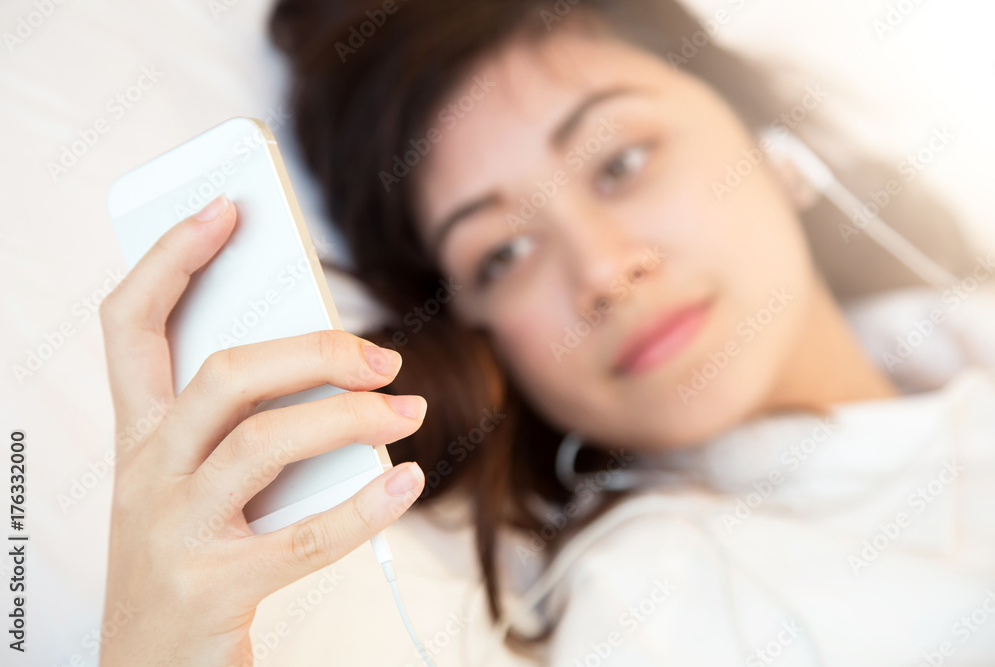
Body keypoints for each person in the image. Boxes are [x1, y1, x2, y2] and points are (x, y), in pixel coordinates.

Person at [100, 0, 995, 664]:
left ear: (773, 147)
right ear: (484, 336)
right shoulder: (660, 601)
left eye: (621, 161)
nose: (601, 271)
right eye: (503, 253)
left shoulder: (963, 334)